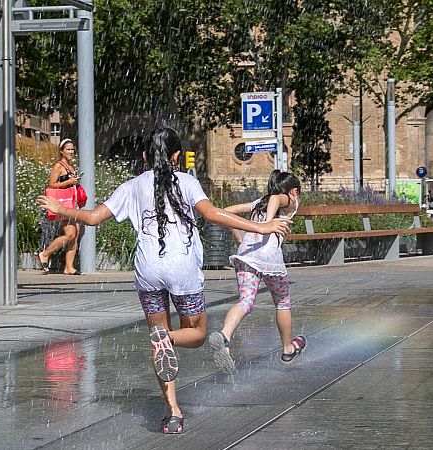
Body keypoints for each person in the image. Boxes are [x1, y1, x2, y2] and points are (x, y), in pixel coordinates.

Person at [37, 127, 290, 434]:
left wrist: (60, 208)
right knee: (196, 334)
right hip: (181, 268)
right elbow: (212, 214)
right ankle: (168, 339)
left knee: (157, 339)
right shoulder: (187, 181)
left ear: (144, 156)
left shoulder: (132, 185)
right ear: (176, 156)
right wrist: (262, 228)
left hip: (148, 270)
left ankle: (173, 412)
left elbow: (91, 218)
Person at [209, 170, 306, 374]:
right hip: (269, 260)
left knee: (245, 301)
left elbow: (226, 212)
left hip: (246, 256)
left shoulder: (257, 203)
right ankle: (288, 348)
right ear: (294, 190)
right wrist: (267, 224)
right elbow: (275, 198)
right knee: (282, 302)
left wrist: (239, 237)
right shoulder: (290, 200)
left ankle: (225, 336)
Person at [37, 138, 82, 275]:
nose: (71, 152)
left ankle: (69, 267)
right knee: (70, 234)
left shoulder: (69, 166)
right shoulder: (58, 166)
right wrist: (69, 181)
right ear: (62, 151)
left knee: (76, 235)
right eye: (68, 149)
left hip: (72, 203)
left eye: (72, 149)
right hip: (64, 204)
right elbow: (51, 184)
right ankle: (45, 254)